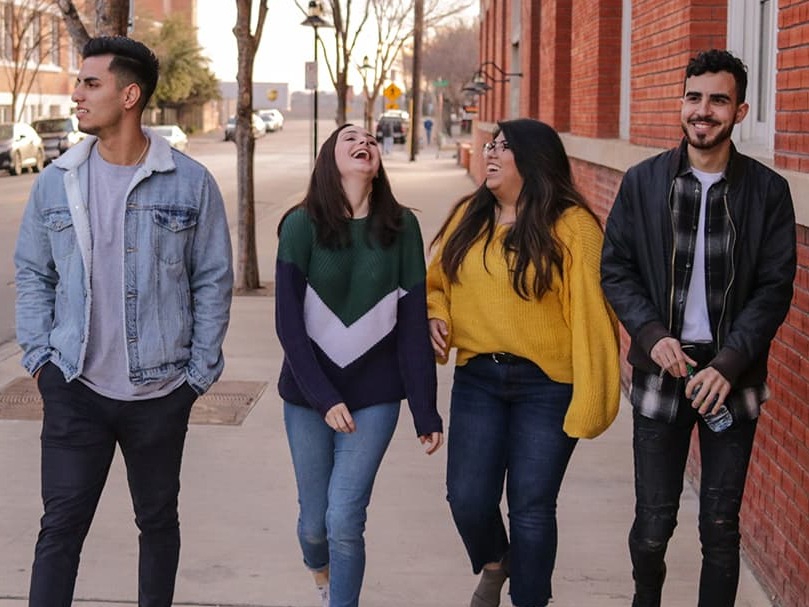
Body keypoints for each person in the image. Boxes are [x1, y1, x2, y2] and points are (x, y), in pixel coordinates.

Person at [14, 36, 233, 607]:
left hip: (160, 392)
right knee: (59, 529)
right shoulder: (55, 181)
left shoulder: (189, 183)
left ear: (129, 95)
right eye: (78, 82)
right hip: (75, 388)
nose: (77, 94)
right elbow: (34, 274)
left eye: (91, 83)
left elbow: (212, 279)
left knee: (158, 522)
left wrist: (196, 377)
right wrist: (40, 362)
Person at [600, 49, 796, 607]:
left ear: (740, 110)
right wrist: (650, 333)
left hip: (730, 376)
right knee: (652, 524)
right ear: (681, 102)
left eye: (718, 99)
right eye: (694, 97)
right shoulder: (642, 183)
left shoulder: (768, 192)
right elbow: (616, 268)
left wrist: (730, 363)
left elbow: (773, 288)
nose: (703, 110)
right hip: (661, 370)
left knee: (720, 526)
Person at [427, 118, 620, 607]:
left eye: (504, 147)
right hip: (478, 379)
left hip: (547, 386)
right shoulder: (469, 215)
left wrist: (593, 398)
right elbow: (436, 285)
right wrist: (436, 316)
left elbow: (594, 317)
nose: (490, 152)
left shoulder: (572, 226)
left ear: (534, 160)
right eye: (490, 144)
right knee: (467, 498)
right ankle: (496, 563)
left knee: (532, 509)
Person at [275, 123, 443, 607]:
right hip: (309, 395)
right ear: (330, 158)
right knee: (313, 526)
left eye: (370, 138)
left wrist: (425, 411)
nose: (363, 142)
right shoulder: (300, 224)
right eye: (350, 138)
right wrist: (325, 399)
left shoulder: (402, 227)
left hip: (375, 396)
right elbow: (289, 327)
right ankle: (323, 580)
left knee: (344, 518)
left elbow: (413, 325)